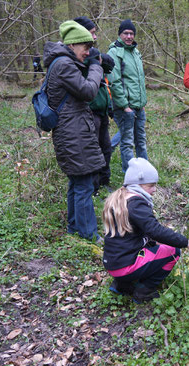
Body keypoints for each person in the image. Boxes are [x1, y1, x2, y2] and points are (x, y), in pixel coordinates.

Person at [102, 158, 189, 303]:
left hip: (112, 263)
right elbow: (156, 231)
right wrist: (186, 242)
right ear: (138, 185)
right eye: (151, 186)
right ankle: (144, 291)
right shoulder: (136, 204)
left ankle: (121, 285)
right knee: (173, 251)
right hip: (125, 266)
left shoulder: (120, 199)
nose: (154, 189)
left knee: (152, 246)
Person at [43, 20, 104, 241]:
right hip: (73, 133)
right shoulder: (64, 65)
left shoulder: (61, 63)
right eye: (84, 47)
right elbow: (88, 91)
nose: (87, 52)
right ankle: (89, 235)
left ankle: (74, 228)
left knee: (77, 183)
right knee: (84, 184)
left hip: (72, 131)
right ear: (72, 45)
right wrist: (96, 67)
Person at [74, 16, 116, 192]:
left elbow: (109, 63)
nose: (95, 37)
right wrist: (94, 60)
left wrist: (98, 59)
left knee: (106, 148)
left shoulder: (93, 52)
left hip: (102, 109)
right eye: (92, 33)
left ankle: (104, 181)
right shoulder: (75, 57)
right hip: (88, 110)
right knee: (94, 150)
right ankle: (94, 187)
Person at [107, 19, 148, 173]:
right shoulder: (114, 52)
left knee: (141, 141)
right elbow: (114, 81)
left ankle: (144, 173)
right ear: (120, 34)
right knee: (127, 142)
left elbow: (139, 80)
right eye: (126, 33)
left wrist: (142, 102)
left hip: (139, 106)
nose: (129, 36)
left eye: (131, 33)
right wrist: (125, 106)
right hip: (125, 108)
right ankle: (130, 176)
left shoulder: (136, 52)